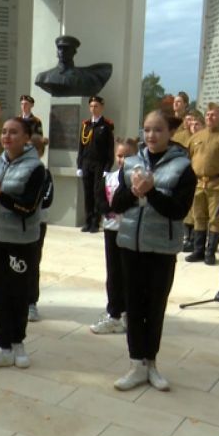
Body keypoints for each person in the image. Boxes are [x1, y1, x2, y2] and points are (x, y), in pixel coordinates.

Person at [111, 110, 197, 391]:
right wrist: (135, 192)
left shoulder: (183, 167)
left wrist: (151, 192)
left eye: (158, 129)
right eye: (147, 129)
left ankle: (152, 362)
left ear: (170, 132)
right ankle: (137, 364)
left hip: (161, 248)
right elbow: (118, 203)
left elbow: (178, 211)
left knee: (155, 307)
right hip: (130, 245)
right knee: (134, 306)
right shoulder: (131, 163)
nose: (151, 135)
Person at [0, 117, 46, 370]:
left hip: (21, 241)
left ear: (27, 137)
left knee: (18, 294)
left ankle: (18, 342)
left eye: (14, 132)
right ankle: (3, 346)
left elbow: (28, 207)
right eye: (4, 132)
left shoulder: (36, 168)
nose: (7, 136)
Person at [90, 137, 137, 335]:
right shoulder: (108, 177)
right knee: (114, 273)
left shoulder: (138, 179)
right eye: (119, 155)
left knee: (130, 274)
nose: (122, 159)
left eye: (127, 155)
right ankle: (114, 314)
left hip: (131, 230)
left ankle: (129, 314)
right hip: (111, 229)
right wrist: (107, 209)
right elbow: (99, 200)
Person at [185, 103, 219, 265]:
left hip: (217, 185)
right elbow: (187, 162)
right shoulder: (195, 138)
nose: (210, 117)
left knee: (215, 219)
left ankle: (211, 252)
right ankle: (198, 250)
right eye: (208, 114)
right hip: (197, 184)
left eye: (214, 115)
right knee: (198, 217)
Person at [77, 96, 115, 233]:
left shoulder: (106, 126)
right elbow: (81, 147)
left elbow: (110, 149)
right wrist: (79, 166)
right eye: (92, 106)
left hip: (99, 164)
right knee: (87, 194)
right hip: (87, 164)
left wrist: (107, 167)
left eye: (96, 106)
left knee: (97, 194)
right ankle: (87, 221)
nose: (93, 109)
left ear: (101, 107)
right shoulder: (85, 125)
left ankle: (95, 222)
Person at [35, 35, 112, 98]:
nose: (62, 52)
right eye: (59, 48)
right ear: (57, 51)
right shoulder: (44, 77)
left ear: (74, 52)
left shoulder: (86, 77)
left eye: (66, 48)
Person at [28, 135, 54, 322]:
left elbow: (47, 199)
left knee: (32, 262)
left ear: (39, 152)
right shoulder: (18, 170)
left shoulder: (45, 173)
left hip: (36, 223)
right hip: (17, 224)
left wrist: (27, 207)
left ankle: (31, 303)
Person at [173, 108, 203, 252]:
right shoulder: (180, 137)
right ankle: (186, 238)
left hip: (201, 179)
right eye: (189, 120)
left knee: (197, 212)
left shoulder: (202, 137)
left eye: (195, 121)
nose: (192, 124)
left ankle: (196, 241)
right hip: (183, 175)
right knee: (186, 210)